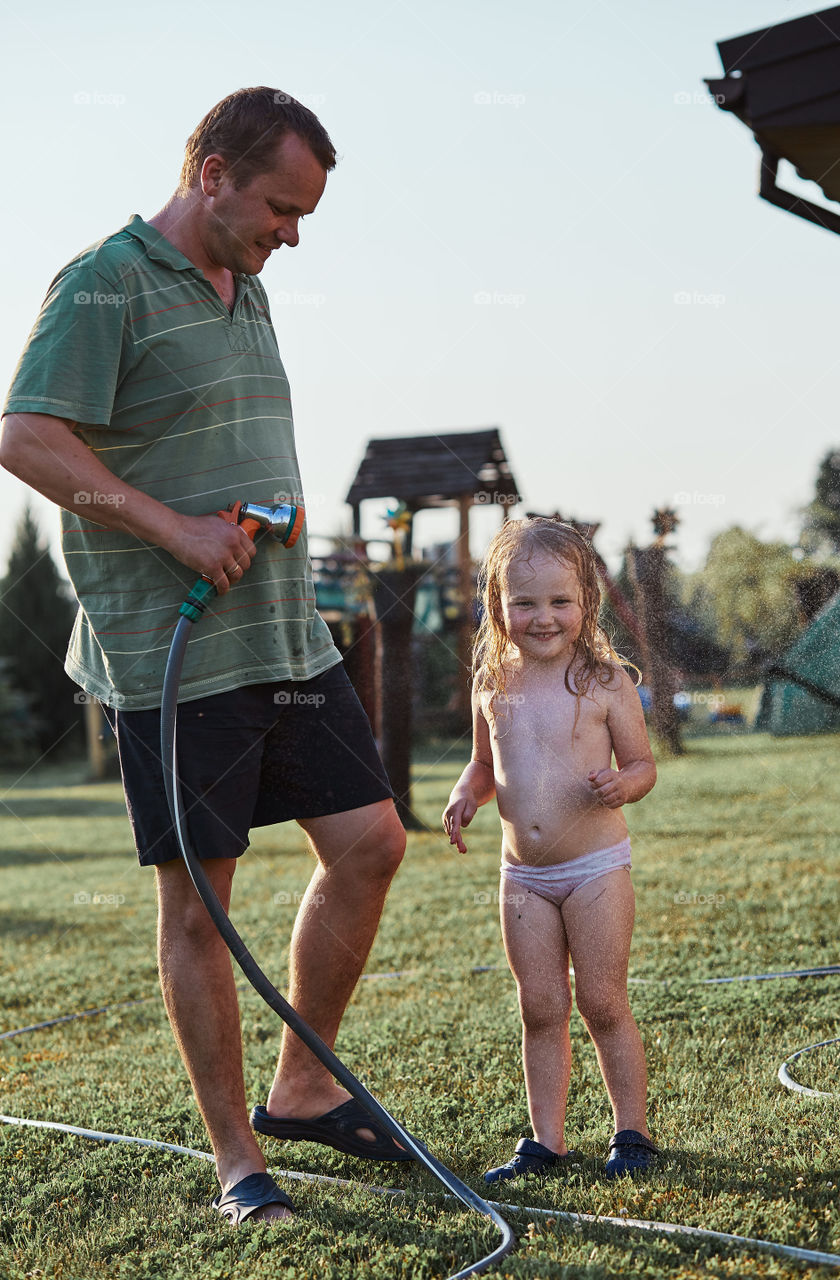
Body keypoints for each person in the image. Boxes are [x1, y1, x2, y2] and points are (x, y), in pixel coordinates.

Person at [0, 88, 408, 1225]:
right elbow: (24, 435)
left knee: (371, 841)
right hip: (170, 647)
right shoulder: (103, 283)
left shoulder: (250, 286)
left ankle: (304, 1085)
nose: (292, 234)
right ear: (213, 173)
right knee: (199, 908)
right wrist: (171, 527)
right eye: (281, 207)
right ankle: (239, 1161)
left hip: (281, 625)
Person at [442, 517, 659, 1182]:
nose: (542, 618)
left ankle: (631, 1132)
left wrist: (622, 784)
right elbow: (483, 767)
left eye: (559, 602)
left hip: (594, 870)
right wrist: (463, 795)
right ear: (497, 606)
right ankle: (547, 1141)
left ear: (585, 603)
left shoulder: (601, 682)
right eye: (525, 602)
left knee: (601, 1000)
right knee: (538, 1006)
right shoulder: (491, 683)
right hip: (522, 879)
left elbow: (643, 764)